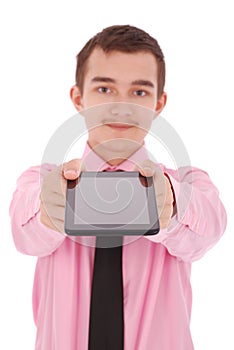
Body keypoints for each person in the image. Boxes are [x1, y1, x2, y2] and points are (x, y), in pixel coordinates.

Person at [9, 25, 227, 350]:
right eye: (105, 89)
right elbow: (22, 232)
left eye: (139, 92)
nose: (122, 107)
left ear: (158, 103)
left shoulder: (189, 184)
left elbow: (210, 224)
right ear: (78, 98)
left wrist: (169, 205)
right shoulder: (42, 181)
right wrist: (48, 210)